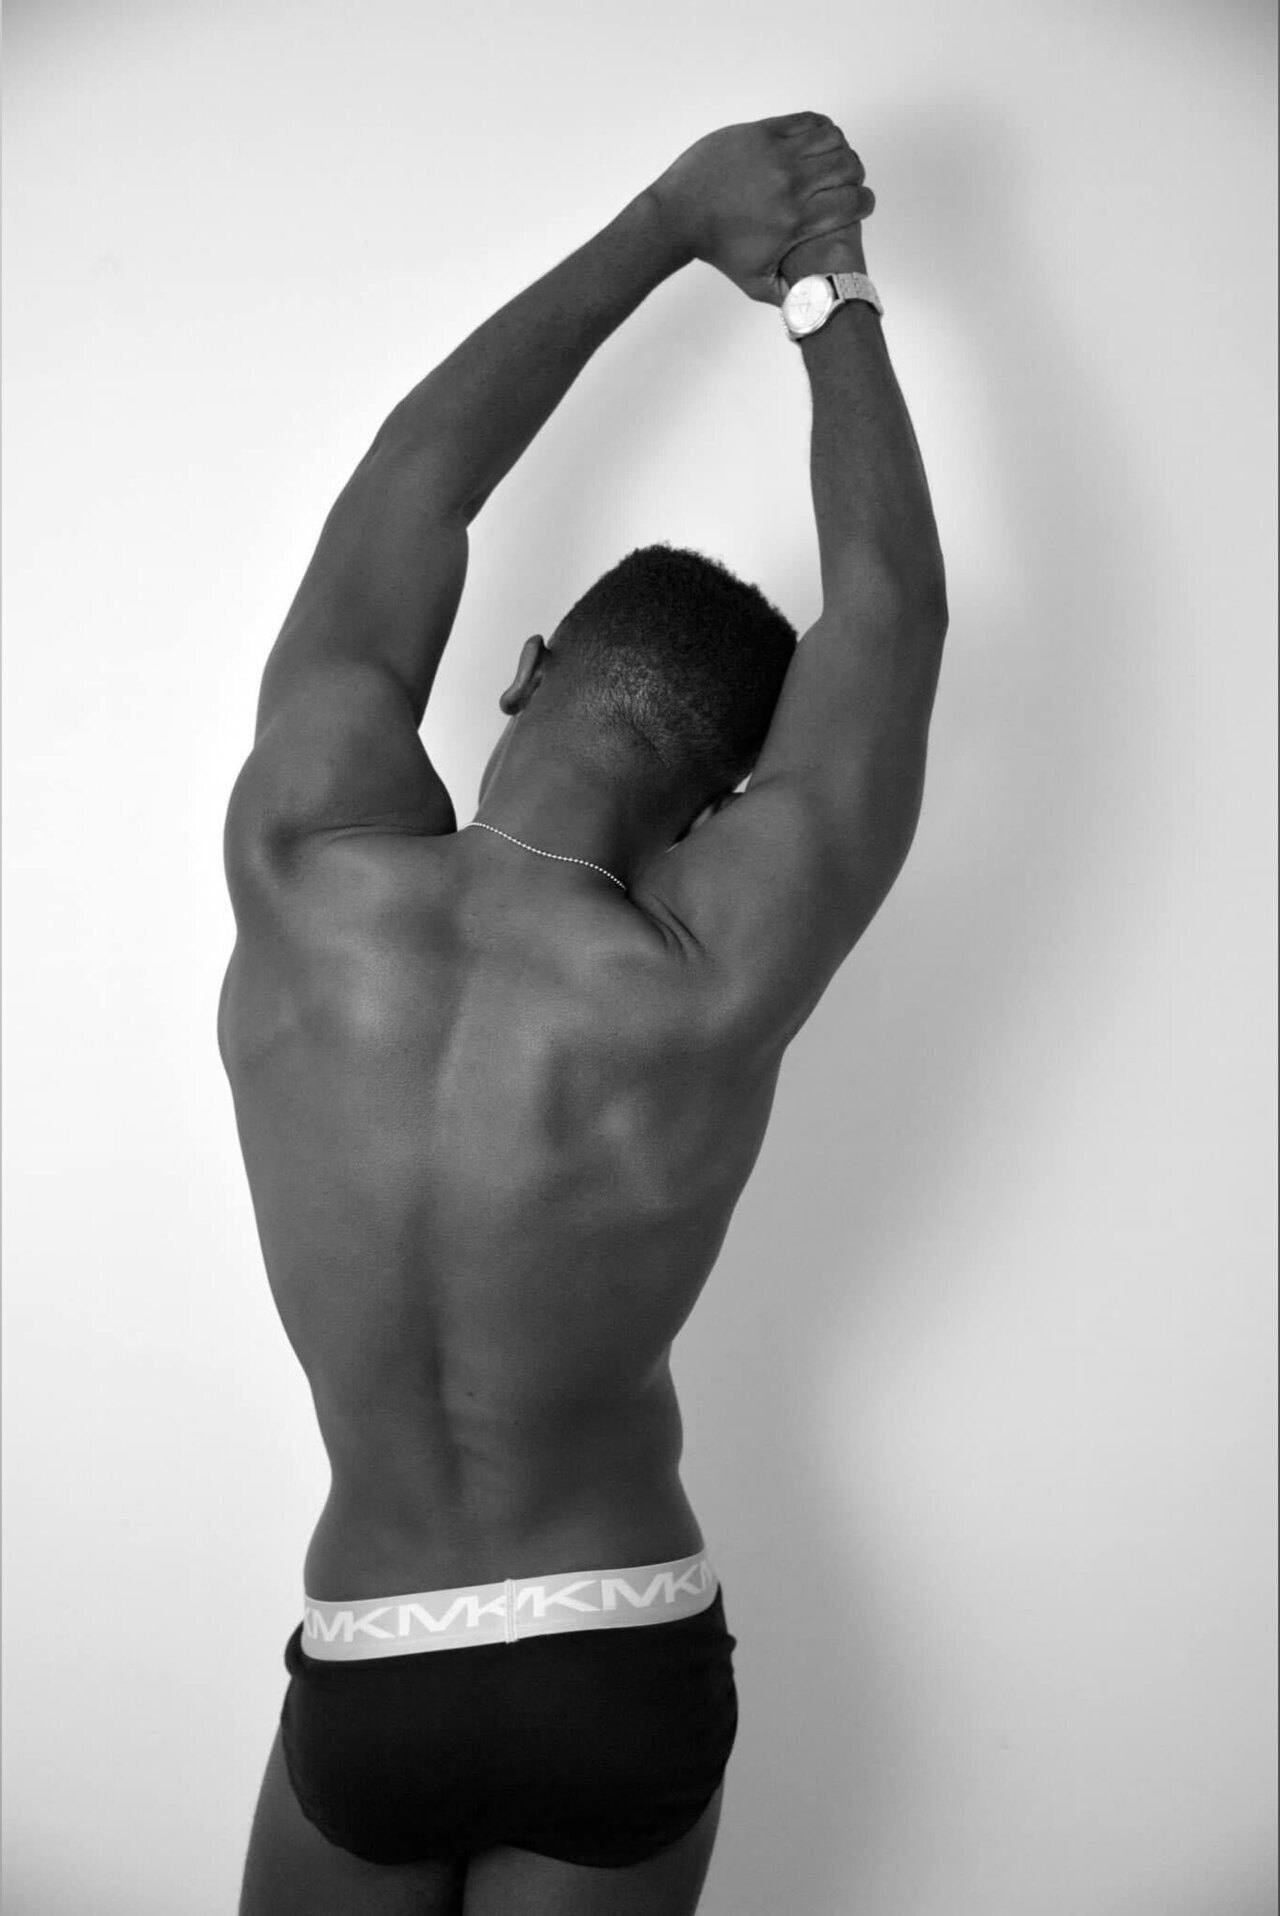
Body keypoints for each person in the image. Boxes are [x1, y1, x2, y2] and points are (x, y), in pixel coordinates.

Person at [221, 109, 948, 1916]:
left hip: (369, 1639)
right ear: (722, 804)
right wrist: (827, 288)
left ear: (529, 668)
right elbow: (891, 617)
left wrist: (669, 223)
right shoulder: (708, 974)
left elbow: (411, 489)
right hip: (615, 1639)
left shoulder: (306, 868)